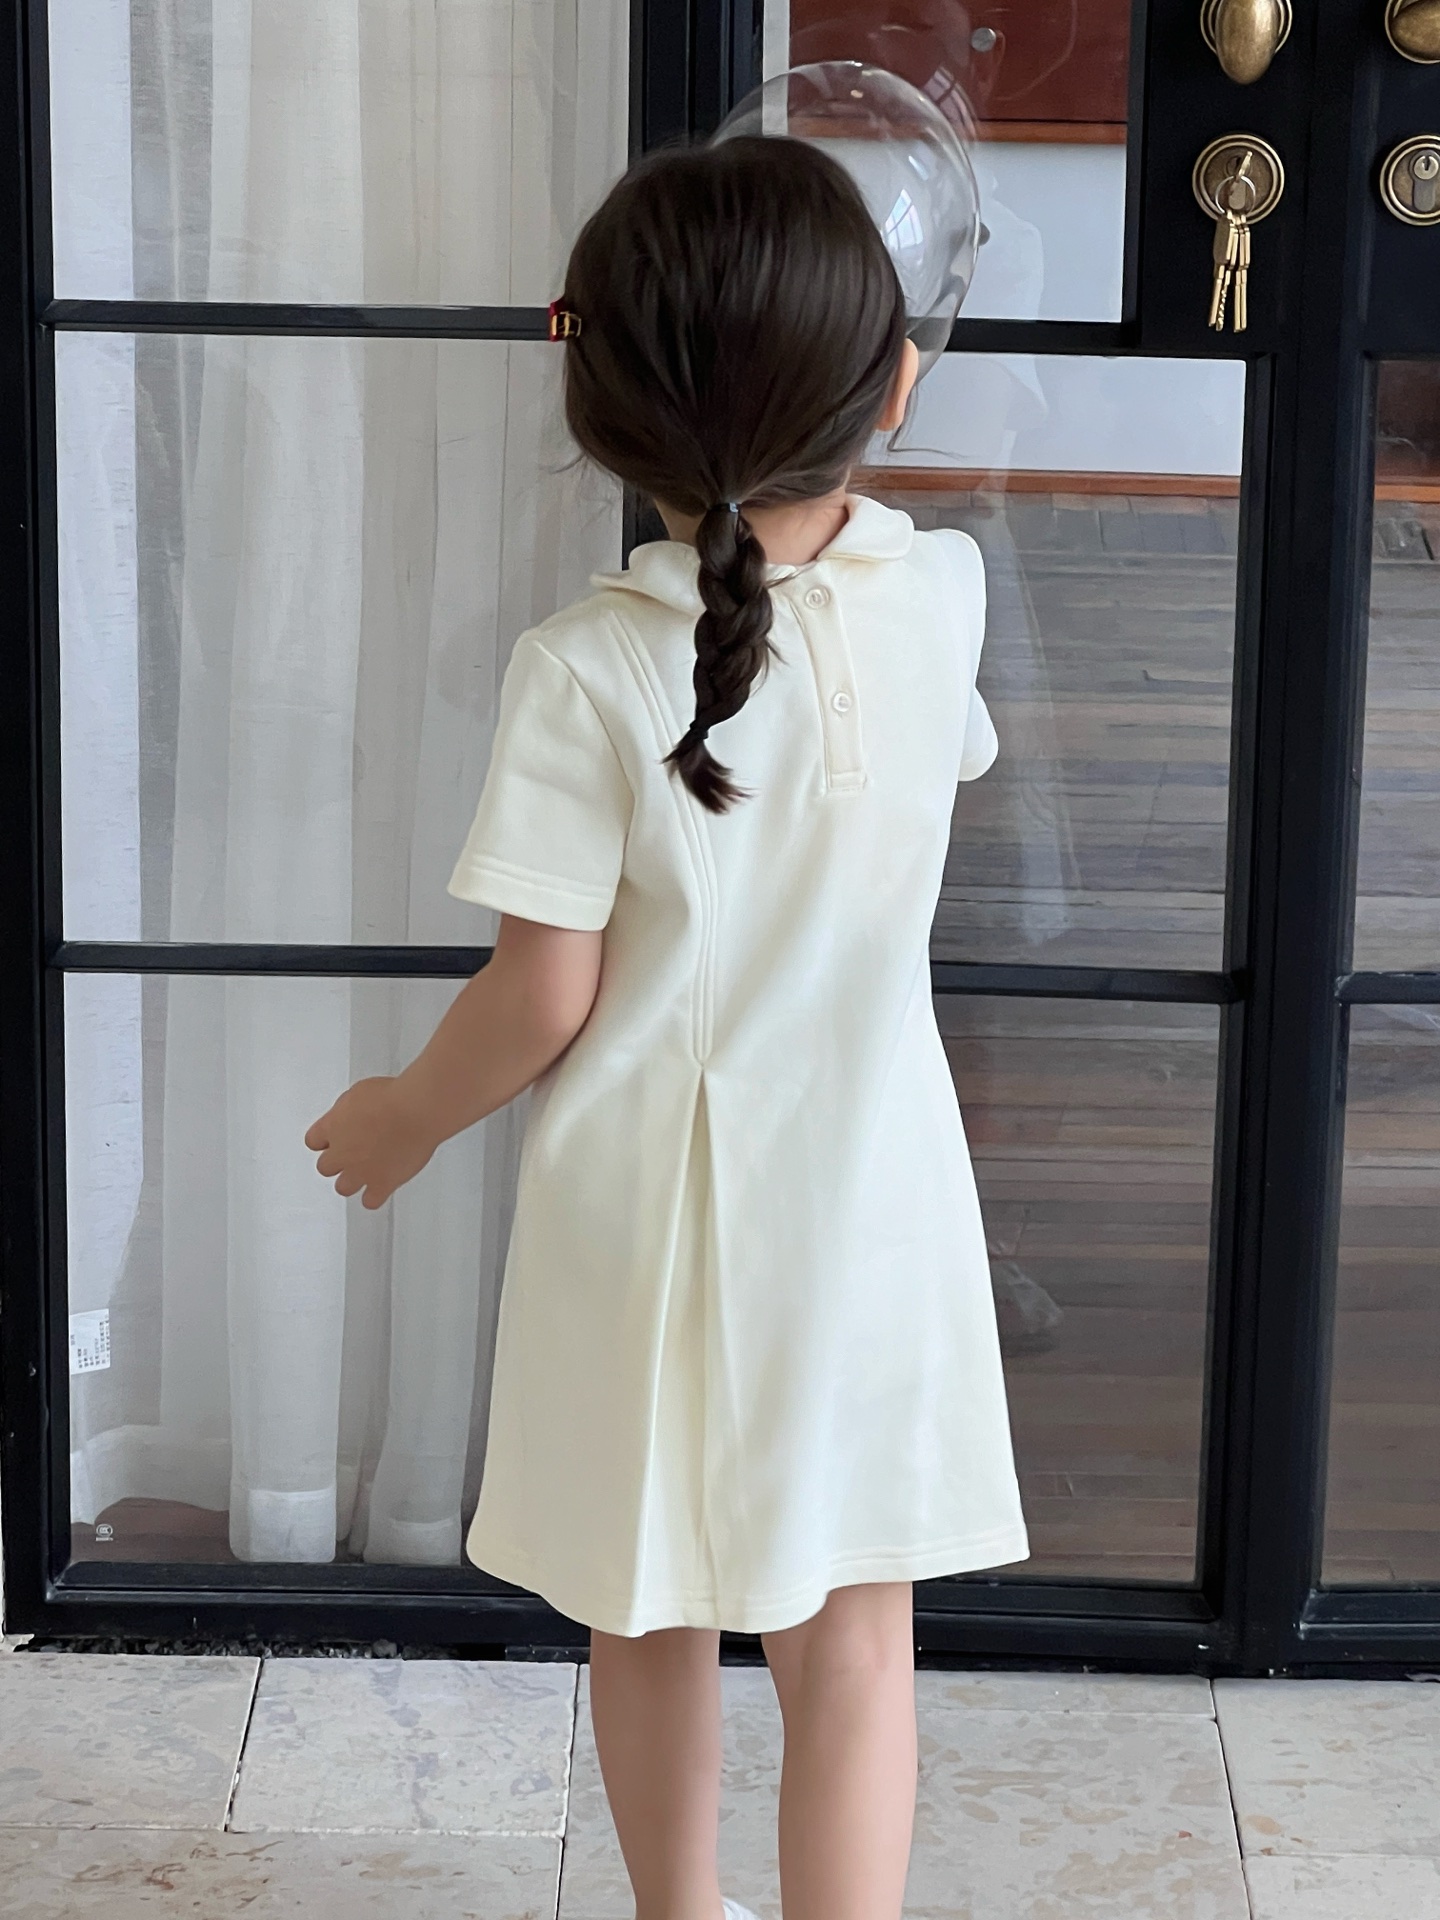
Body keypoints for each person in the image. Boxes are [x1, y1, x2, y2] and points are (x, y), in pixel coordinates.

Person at [306, 135, 1027, 1920]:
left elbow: (543, 994)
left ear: (606, 408)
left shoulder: (585, 665)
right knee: (854, 1629)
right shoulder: (942, 598)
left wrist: (405, 1113)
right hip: (874, 1206)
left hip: (652, 1233)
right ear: (896, 385)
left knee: (652, 1605)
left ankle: (677, 1910)